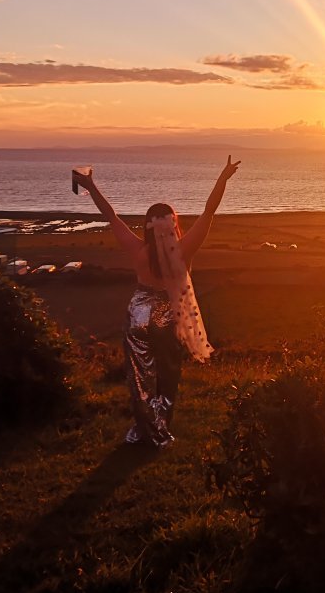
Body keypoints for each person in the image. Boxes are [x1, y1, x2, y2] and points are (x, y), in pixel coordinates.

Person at [72, 156, 241, 447]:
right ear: (173, 224)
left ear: (148, 226)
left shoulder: (138, 250)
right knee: (167, 374)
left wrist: (89, 183)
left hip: (137, 312)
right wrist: (222, 179)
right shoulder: (184, 249)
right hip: (168, 314)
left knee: (140, 376)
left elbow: (111, 215)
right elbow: (209, 212)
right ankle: (160, 429)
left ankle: (143, 427)